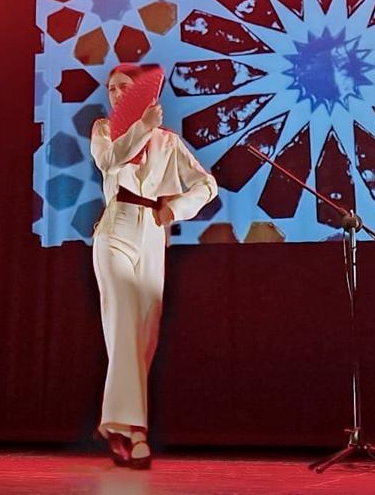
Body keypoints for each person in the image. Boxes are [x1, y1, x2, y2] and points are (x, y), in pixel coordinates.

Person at [90, 63, 217, 469]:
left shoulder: (168, 141)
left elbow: (206, 184)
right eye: (111, 88)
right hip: (115, 230)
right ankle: (137, 431)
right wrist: (141, 126)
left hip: (152, 233)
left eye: (124, 87)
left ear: (143, 92)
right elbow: (110, 162)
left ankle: (118, 425)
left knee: (144, 333)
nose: (115, 94)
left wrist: (175, 208)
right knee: (124, 319)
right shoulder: (103, 130)